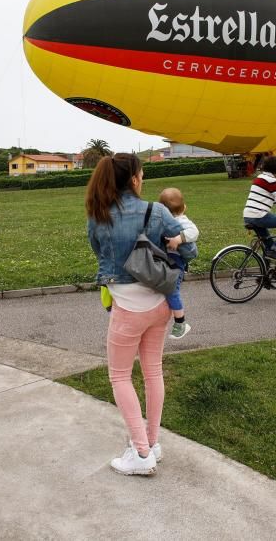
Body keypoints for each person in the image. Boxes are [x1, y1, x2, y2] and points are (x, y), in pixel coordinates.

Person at [86, 152, 182, 476]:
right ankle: (151, 443)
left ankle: (141, 454)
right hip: (161, 305)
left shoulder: (99, 215)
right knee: (153, 370)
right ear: (134, 179)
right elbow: (187, 249)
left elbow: (98, 251)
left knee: (120, 376)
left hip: (127, 308)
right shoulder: (157, 211)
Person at [158, 187, 198, 339]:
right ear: (184, 207)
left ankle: (181, 322)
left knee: (172, 290)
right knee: (166, 290)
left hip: (177, 262)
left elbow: (194, 232)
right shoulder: (163, 222)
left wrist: (179, 239)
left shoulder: (182, 221)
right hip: (167, 261)